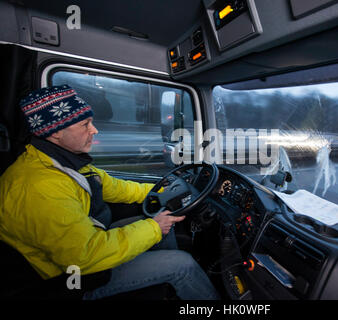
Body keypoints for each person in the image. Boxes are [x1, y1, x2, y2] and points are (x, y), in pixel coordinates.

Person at [0, 85, 219, 300]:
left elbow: (118, 188)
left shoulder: (64, 163)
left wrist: (164, 191)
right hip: (74, 279)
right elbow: (83, 256)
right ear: (56, 132)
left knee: (159, 222)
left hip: (86, 243)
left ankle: (163, 284)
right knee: (182, 264)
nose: (94, 130)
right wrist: (154, 227)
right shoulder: (40, 187)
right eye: (85, 124)